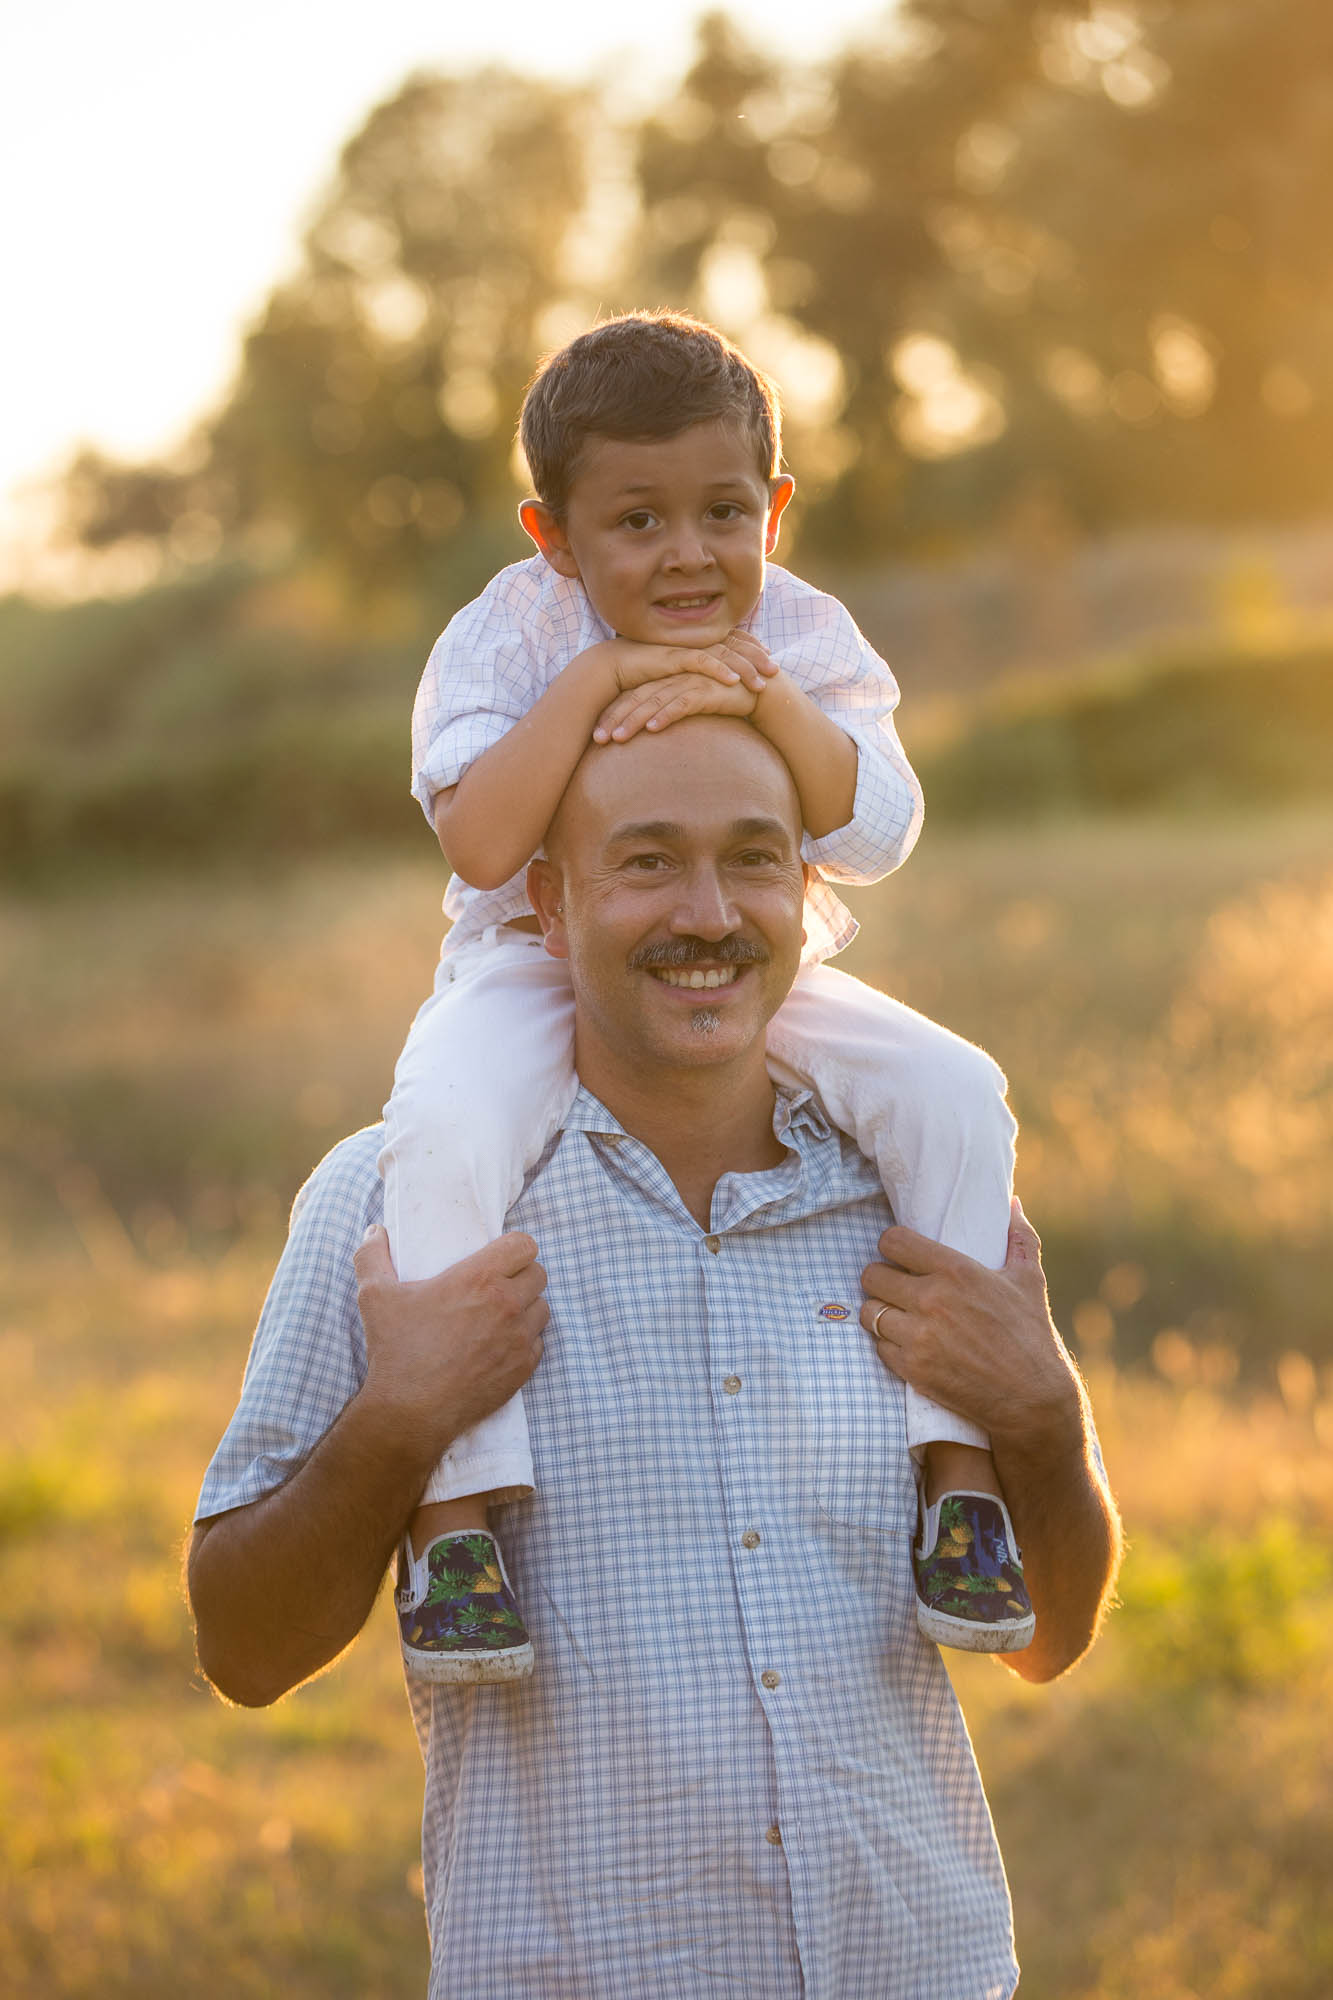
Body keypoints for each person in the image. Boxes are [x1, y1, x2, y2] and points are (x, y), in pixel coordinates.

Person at [189, 717, 1122, 2000]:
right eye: (646, 862)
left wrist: (1043, 1415)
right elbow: (242, 1648)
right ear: (550, 896)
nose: (708, 912)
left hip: (924, 1968)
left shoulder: (908, 1205)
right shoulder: (395, 1208)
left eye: (753, 858)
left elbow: (1050, 1636)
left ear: (806, 888)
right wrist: (400, 1419)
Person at [380, 309, 1028, 1684]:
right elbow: (486, 844)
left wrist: (767, 697)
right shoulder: (508, 632)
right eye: (636, 522)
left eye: (723, 511)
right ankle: (455, 1518)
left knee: (955, 1089)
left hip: (748, 957)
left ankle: (958, 1478)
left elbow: (876, 829)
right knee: (440, 1123)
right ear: (552, 533)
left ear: (774, 510)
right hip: (528, 961)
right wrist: (602, 677)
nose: (687, 553)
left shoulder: (801, 630)